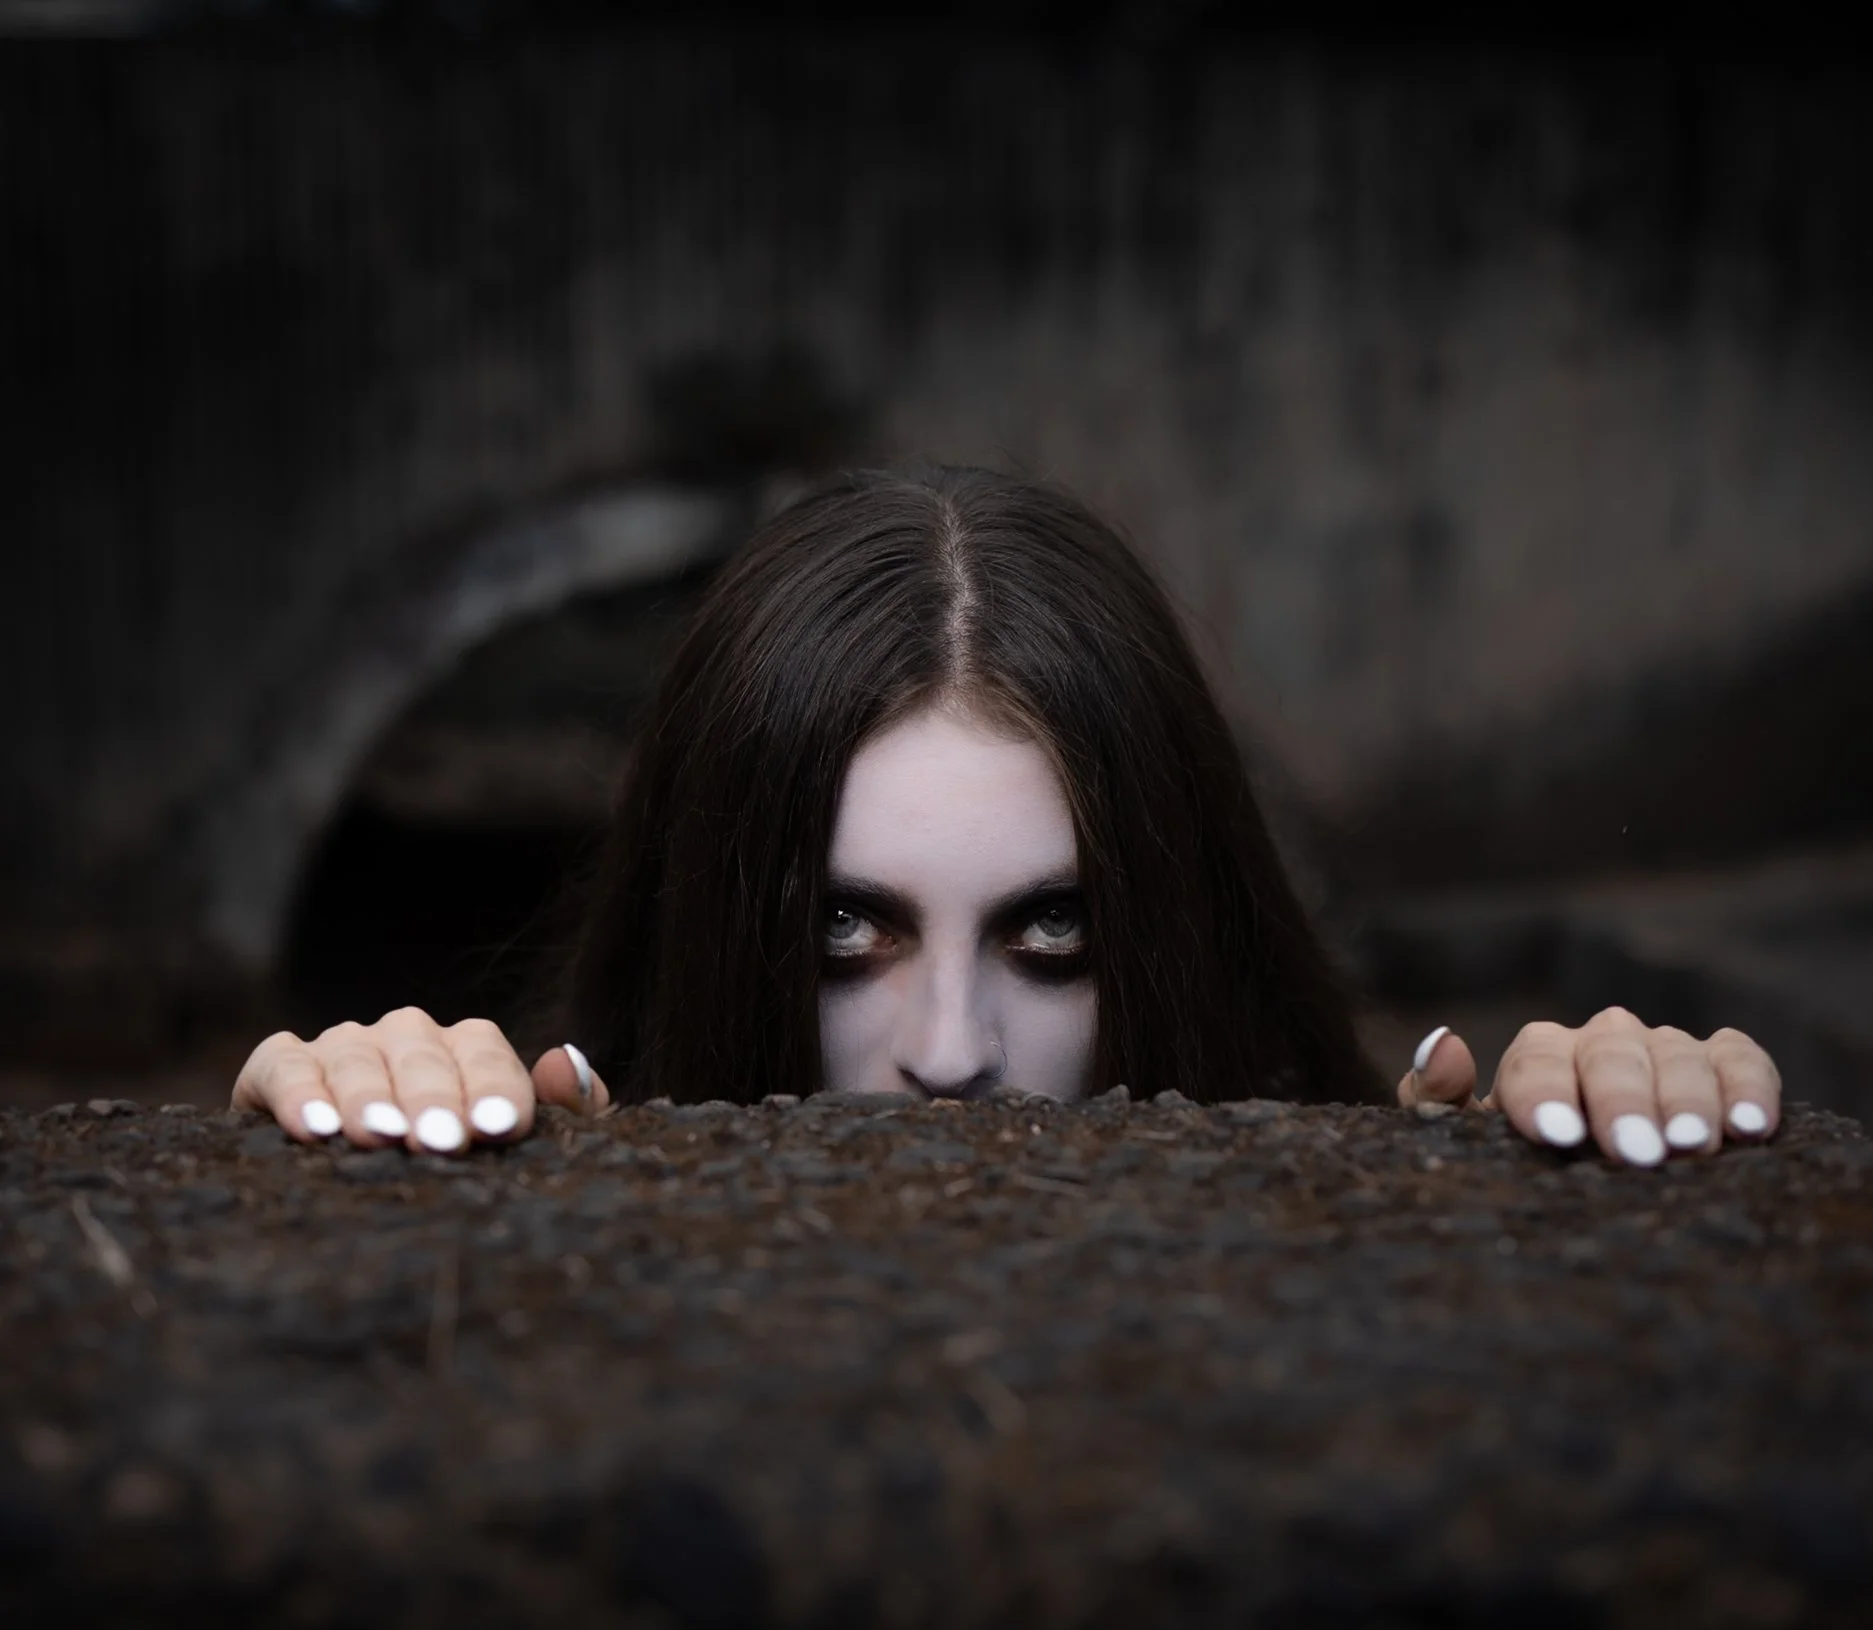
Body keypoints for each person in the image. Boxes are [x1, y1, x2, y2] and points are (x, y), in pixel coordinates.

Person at [234, 466, 1781, 1168]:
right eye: (845, 928)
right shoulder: (566, 1146)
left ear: (1173, 924)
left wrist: (1605, 1124)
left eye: (1053, 932)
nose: (952, 1052)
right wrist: (365, 1110)